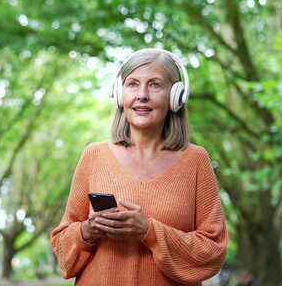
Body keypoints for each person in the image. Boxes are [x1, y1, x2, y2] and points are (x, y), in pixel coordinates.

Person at [50, 48, 228, 285]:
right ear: (119, 93)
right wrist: (87, 231)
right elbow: (62, 252)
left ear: (176, 96)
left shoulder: (196, 160)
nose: (142, 95)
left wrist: (148, 231)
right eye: (133, 84)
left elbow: (213, 250)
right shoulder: (94, 156)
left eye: (155, 85)